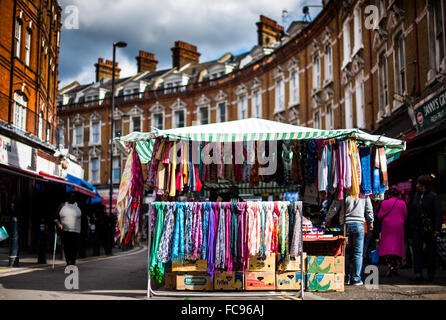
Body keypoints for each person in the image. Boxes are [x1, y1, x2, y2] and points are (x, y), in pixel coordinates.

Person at [326, 195, 374, 285]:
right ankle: (356, 279)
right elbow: (369, 209)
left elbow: (334, 207)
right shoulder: (365, 194)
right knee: (358, 253)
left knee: (345, 253)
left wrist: (328, 218)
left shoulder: (343, 192)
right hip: (359, 225)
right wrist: (370, 223)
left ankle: (346, 278)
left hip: (345, 225)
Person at [408, 175, 443, 282]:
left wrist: (437, 228)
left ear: (423, 186)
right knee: (416, 250)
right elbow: (412, 212)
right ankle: (418, 273)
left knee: (430, 252)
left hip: (430, 229)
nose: (416, 185)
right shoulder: (416, 196)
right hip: (417, 228)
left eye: (418, 183)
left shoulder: (433, 196)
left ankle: (430, 274)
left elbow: (438, 213)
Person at [377, 188, 407, 277]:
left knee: (388, 248)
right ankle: (396, 267)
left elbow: (379, 216)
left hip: (387, 227)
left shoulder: (384, 203)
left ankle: (390, 266)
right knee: (397, 248)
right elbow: (405, 215)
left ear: (388, 195)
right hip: (399, 227)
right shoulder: (403, 203)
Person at [55, 192, 82, 266]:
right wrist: (59, 224)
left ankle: (72, 261)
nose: (72, 198)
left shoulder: (79, 205)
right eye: (71, 197)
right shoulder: (62, 205)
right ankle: (68, 261)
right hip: (65, 230)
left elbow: (83, 218)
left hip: (76, 231)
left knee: (74, 247)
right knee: (67, 247)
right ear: (67, 198)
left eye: (74, 197)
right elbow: (56, 218)